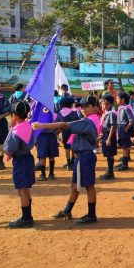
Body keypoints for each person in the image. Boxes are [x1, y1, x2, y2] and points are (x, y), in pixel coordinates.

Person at [33, 95, 101, 225]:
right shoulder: (89, 119)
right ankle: (67, 210)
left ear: (95, 107)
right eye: (82, 106)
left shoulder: (87, 121)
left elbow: (65, 125)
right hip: (82, 156)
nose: (83, 109)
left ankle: (91, 215)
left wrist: (42, 125)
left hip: (85, 156)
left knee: (89, 186)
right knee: (75, 185)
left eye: (87, 106)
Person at [2, 101, 36, 228]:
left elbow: (8, 150)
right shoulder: (28, 125)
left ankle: (26, 218)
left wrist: (4, 146)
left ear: (14, 116)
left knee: (22, 190)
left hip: (20, 161)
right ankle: (28, 216)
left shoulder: (16, 131)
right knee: (25, 188)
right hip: (28, 158)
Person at [35, 101, 60, 181]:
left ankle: (43, 174)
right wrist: (57, 131)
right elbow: (58, 119)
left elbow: (34, 118)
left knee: (43, 155)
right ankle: (51, 174)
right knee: (50, 155)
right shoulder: (53, 105)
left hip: (42, 135)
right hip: (51, 135)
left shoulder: (38, 105)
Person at [56, 96, 79, 170]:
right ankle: (73, 161)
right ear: (72, 104)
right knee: (73, 146)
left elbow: (58, 124)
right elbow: (77, 122)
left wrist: (58, 132)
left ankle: (68, 163)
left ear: (62, 104)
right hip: (73, 132)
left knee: (67, 148)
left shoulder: (60, 113)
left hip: (65, 132)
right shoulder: (74, 113)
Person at [116, 92, 134, 172]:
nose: (116, 100)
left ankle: (125, 164)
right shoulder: (121, 107)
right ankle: (124, 162)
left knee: (125, 147)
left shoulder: (126, 108)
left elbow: (132, 120)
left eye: (117, 98)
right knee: (123, 146)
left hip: (124, 128)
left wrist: (126, 129)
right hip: (121, 127)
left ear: (122, 100)